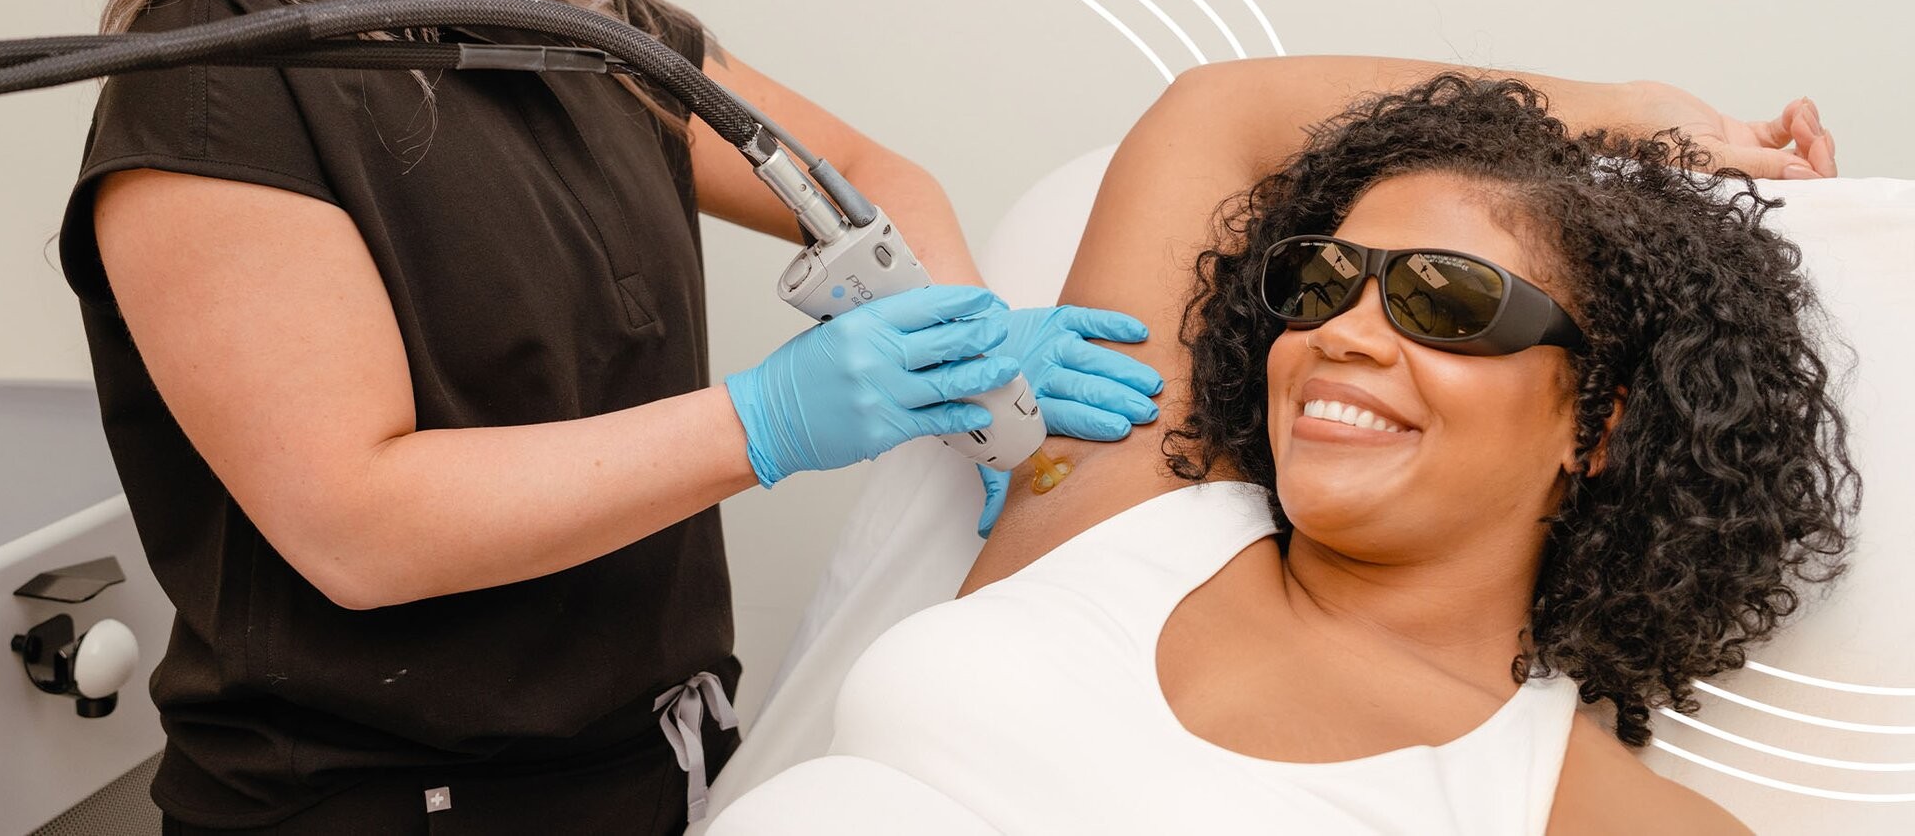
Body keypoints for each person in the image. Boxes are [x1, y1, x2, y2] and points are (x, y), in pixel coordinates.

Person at [55, 0, 1162, 831]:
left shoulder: (586, 38)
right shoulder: (219, 82)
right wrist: (767, 420)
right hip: (377, 802)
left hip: (653, 768)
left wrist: (972, 362)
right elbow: (357, 528)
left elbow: (872, 179)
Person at [709, 62, 1854, 835]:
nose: (1342, 333)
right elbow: (1215, 113)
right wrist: (1634, 113)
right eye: (1320, 284)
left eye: (1445, 302)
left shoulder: (1563, 807)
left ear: (1594, 421)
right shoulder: (1122, 498)